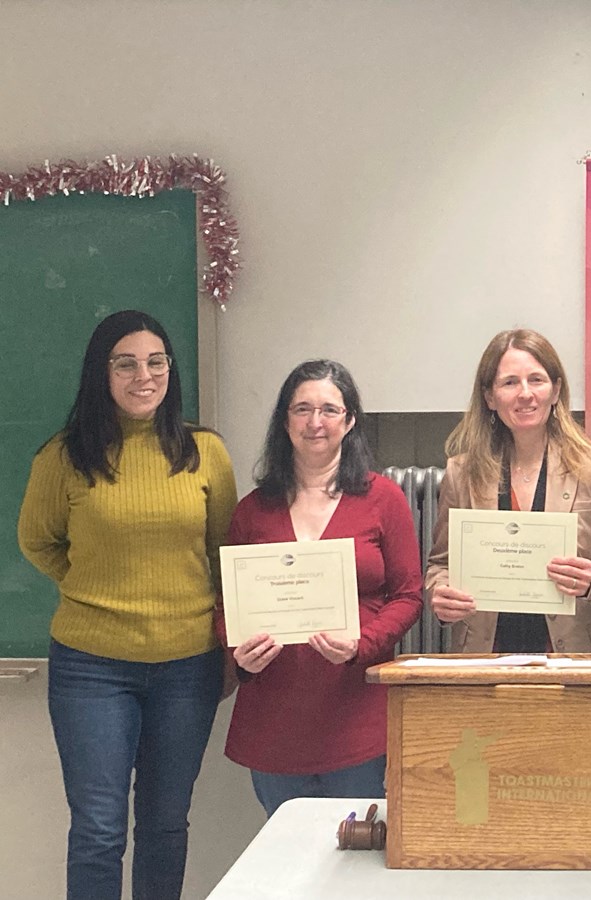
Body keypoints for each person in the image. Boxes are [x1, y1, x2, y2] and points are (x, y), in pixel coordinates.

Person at [17, 310, 237, 900]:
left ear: (170, 369)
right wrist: (91, 588)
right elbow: (36, 541)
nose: (144, 375)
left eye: (156, 361)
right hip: (91, 668)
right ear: (102, 373)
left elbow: (225, 557)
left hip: (187, 666)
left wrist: (229, 648)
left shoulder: (205, 451)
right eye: (126, 363)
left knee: (165, 824)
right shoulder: (63, 457)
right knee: (97, 830)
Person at [218, 360, 422, 816]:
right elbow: (226, 603)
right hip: (276, 723)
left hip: (358, 716)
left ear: (349, 421)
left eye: (330, 410)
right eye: (302, 409)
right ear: (284, 421)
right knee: (290, 866)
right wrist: (236, 649)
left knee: (358, 862)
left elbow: (409, 595)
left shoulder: (383, 498)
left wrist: (362, 643)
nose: (315, 422)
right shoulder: (252, 511)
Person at [428, 329, 591, 652]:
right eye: (510, 382)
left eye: (536, 380)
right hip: (486, 655)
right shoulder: (461, 473)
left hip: (575, 657)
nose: (525, 394)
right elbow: (440, 565)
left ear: (555, 390)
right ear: (489, 396)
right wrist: (441, 593)